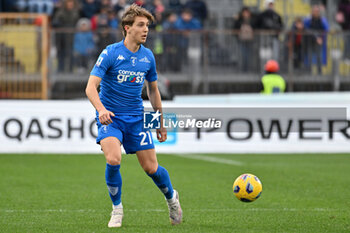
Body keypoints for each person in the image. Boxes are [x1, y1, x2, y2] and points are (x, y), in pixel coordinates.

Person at [85, 4, 182, 228]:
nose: (145, 30)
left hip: (137, 119)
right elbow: (91, 87)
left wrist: (159, 121)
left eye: (147, 25)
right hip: (111, 118)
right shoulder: (111, 53)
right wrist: (101, 110)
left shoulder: (148, 57)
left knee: (151, 168)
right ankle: (117, 209)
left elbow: (153, 90)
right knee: (113, 158)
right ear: (127, 28)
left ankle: (172, 199)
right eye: (140, 25)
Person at [303, 5, 329, 74]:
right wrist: (315, 37)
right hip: (310, 41)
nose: (315, 12)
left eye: (317, 11)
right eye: (314, 11)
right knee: (309, 57)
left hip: (319, 41)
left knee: (319, 57)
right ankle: (309, 72)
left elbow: (326, 30)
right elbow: (306, 29)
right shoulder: (309, 20)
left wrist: (321, 39)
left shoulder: (322, 20)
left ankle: (319, 73)